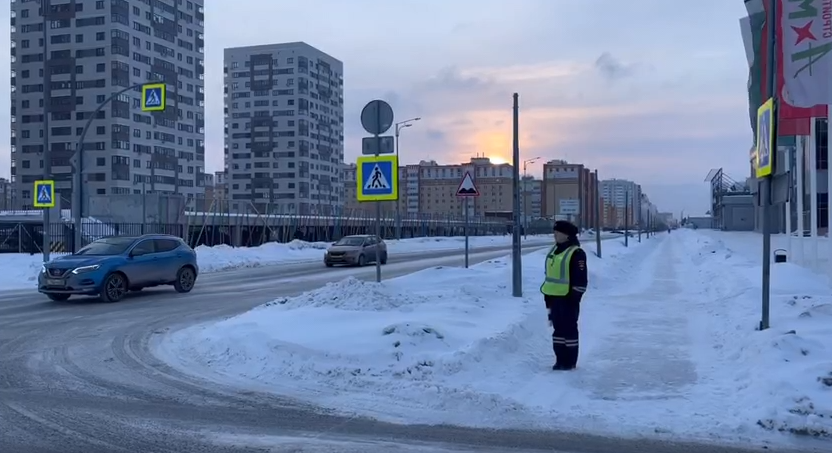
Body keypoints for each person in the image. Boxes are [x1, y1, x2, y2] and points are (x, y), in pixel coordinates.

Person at [540, 220, 588, 370]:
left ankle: (570, 361)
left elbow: (580, 279)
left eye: (558, 232)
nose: (555, 234)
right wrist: (547, 296)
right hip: (553, 296)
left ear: (567, 235)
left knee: (569, 329)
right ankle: (560, 359)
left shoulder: (576, 253)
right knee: (558, 329)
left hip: (568, 298)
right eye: (555, 232)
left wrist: (574, 297)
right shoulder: (554, 250)